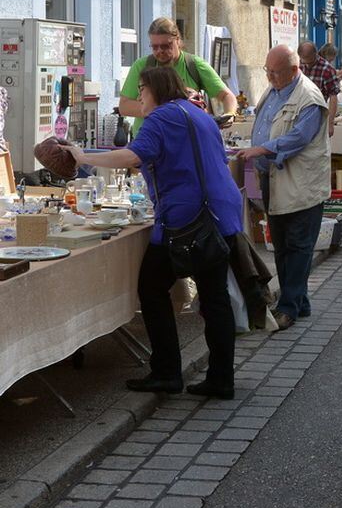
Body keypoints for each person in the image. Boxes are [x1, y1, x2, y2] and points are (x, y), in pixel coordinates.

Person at [64, 67, 242, 399]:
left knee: (152, 286)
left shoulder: (160, 117)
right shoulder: (198, 113)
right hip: (222, 211)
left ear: (155, 89)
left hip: (189, 218)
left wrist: (82, 156)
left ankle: (166, 372)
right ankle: (221, 379)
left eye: (142, 90)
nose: (139, 97)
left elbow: (133, 155)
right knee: (215, 298)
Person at [238, 45, 330, 331]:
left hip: (301, 184)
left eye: (275, 72)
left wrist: (262, 148)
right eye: (267, 71)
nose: (269, 77)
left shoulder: (309, 97)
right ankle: (300, 302)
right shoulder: (274, 90)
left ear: (294, 70)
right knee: (280, 245)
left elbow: (298, 138)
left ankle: (288, 307)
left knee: (298, 246)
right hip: (275, 181)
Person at [119, 17, 237, 136]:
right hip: (147, 139)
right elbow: (124, 106)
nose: (160, 51)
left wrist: (230, 114)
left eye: (166, 46)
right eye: (154, 47)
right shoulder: (141, 66)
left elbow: (227, 96)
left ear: (178, 40)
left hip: (184, 140)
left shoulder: (194, 65)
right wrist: (166, 110)